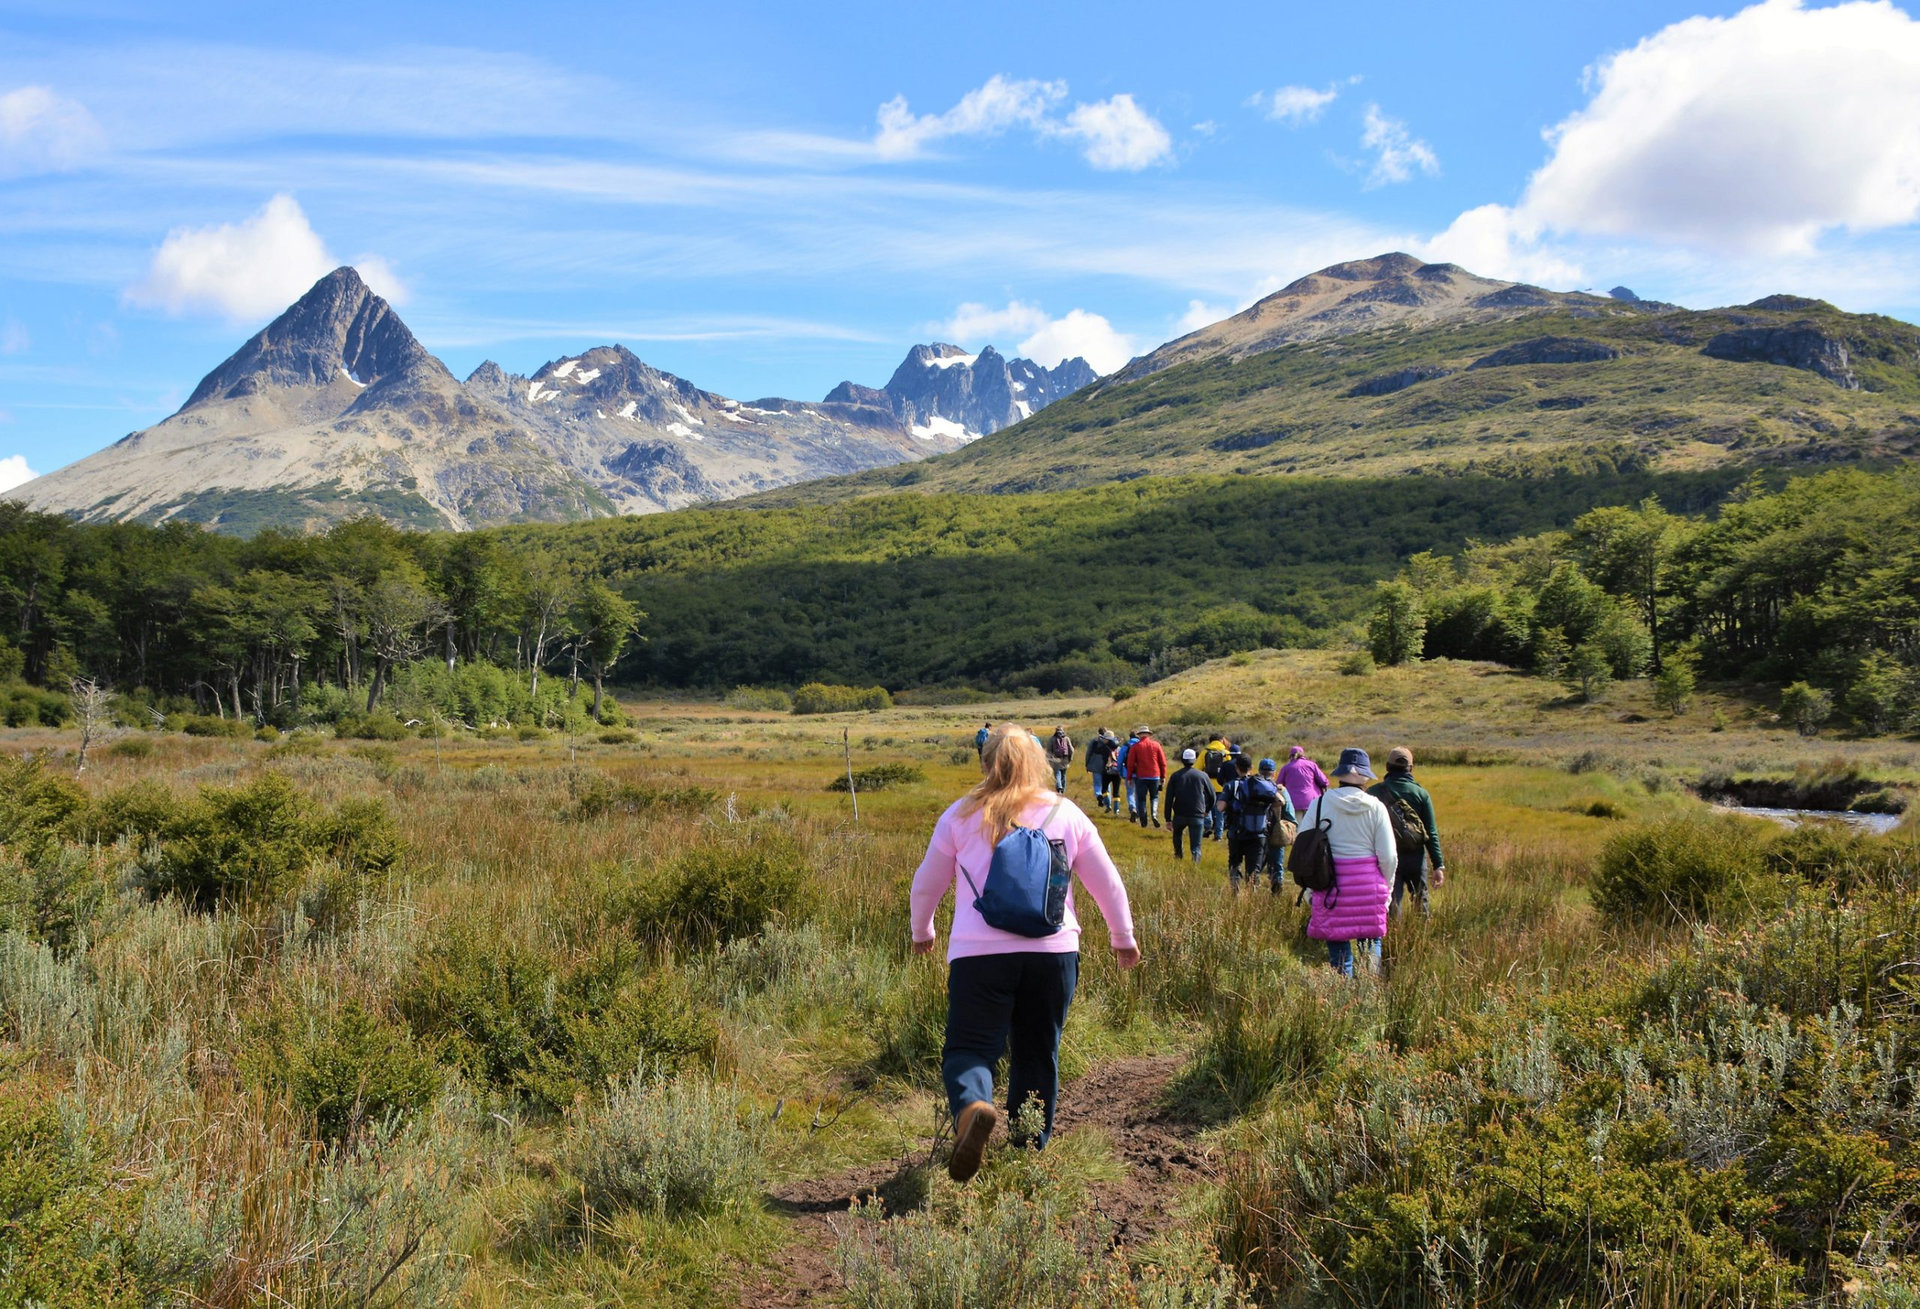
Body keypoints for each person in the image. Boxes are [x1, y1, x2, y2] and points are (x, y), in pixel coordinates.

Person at [910, 725, 1141, 1181]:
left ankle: (973, 1108)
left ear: (985, 761)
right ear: (1040, 763)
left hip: (978, 956)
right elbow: (1107, 882)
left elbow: (926, 884)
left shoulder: (960, 815)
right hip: (1053, 954)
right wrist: (1122, 937)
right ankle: (1025, 1149)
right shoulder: (1067, 813)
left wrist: (923, 930)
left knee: (970, 1047)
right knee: (1037, 1051)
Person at [1301, 748, 1397, 978]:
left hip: (1330, 887)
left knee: (1339, 952)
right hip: (1368, 889)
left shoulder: (1320, 804)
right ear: (1366, 776)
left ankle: (1344, 999)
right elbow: (1389, 856)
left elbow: (1303, 846)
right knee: (1371, 943)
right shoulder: (1376, 807)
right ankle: (1370, 994)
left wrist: (1308, 888)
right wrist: (1388, 889)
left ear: (1340, 774)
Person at [1369, 746, 1446, 917]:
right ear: (1411, 768)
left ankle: (1393, 940)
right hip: (1416, 857)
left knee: (1392, 902)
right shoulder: (1421, 794)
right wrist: (1438, 865)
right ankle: (1421, 939)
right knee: (1421, 901)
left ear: (1387, 767)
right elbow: (1431, 832)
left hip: (1386, 857)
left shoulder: (1373, 793)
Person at [1221, 754, 1281, 893]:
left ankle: (1235, 891)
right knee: (1254, 868)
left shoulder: (1232, 785)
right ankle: (1252, 894)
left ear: (1236, 767)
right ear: (1252, 767)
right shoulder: (1261, 784)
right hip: (1259, 833)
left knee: (1235, 862)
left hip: (1236, 832)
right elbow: (1280, 801)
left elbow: (1220, 807)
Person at [1253, 758, 1300, 893]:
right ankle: (1277, 890)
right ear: (1274, 773)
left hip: (1256, 830)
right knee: (1277, 864)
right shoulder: (1281, 790)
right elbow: (1290, 815)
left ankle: (1252, 890)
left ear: (1260, 771)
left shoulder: (1254, 788)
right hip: (1275, 832)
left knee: (1256, 864)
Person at [1165, 748, 1213, 863]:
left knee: (1177, 835)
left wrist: (1168, 818)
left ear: (1182, 760)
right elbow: (1212, 796)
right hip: (1197, 814)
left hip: (1179, 814)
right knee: (1196, 846)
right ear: (1195, 760)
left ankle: (1178, 857)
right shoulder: (1202, 775)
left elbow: (1169, 798)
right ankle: (1195, 863)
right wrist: (1207, 810)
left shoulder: (1175, 776)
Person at [1127, 726, 1167, 828]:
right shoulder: (1156, 745)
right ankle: (1154, 814)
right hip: (1155, 775)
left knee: (1141, 799)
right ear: (1149, 734)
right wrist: (1163, 776)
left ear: (1140, 735)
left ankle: (1143, 821)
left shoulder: (1135, 747)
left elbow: (1130, 763)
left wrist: (1129, 777)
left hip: (1141, 776)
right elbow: (1162, 762)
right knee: (1154, 796)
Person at [1279, 745, 1330, 815]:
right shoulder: (1312, 765)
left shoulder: (1286, 768)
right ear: (1302, 754)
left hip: (1292, 803)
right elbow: (1324, 782)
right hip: (1312, 802)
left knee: (1296, 825)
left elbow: (1279, 785)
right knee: (1311, 825)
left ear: (1290, 756)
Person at [1084, 729, 1117, 813]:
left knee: (1097, 784)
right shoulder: (1112, 743)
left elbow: (1089, 753)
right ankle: (1108, 804)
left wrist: (1087, 765)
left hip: (1096, 766)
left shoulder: (1095, 741)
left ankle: (1099, 795)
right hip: (1107, 766)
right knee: (1107, 785)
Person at [1115, 731, 1138, 820]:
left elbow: (1120, 761)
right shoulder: (1141, 745)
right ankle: (1139, 810)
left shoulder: (1126, 746)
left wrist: (1120, 772)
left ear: (1130, 737)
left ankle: (1132, 808)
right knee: (1138, 793)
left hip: (1128, 772)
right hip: (1140, 773)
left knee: (1130, 792)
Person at [1046, 726, 1074, 795]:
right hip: (1065, 759)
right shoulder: (1066, 738)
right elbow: (1072, 750)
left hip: (1056, 759)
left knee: (1057, 774)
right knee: (1064, 775)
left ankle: (1059, 787)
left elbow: (1048, 750)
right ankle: (1063, 790)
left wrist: (1049, 759)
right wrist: (1070, 758)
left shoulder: (1052, 739)